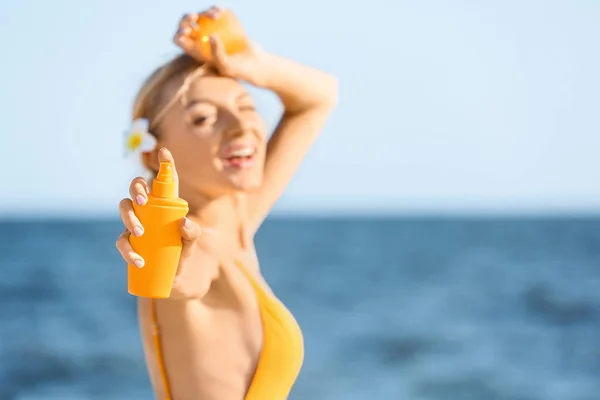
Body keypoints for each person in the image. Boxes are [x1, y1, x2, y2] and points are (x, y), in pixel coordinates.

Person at [114, 6, 338, 400]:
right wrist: (167, 262)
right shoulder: (196, 242)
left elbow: (319, 97)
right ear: (153, 153)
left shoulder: (238, 218)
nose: (240, 125)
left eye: (246, 106)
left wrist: (250, 61)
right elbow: (184, 278)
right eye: (203, 118)